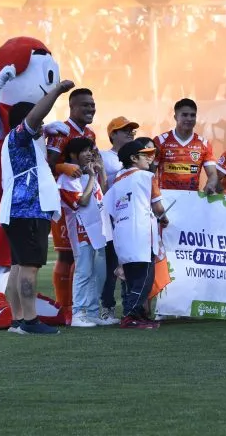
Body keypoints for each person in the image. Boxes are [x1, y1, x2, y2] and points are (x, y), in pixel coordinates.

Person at [2, 79, 76, 336]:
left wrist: (48, 136)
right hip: (28, 209)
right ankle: (30, 321)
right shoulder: (20, 137)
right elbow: (35, 116)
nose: (43, 124)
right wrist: (56, 91)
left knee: (18, 266)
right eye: (40, 122)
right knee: (29, 267)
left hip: (18, 210)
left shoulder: (20, 142)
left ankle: (18, 320)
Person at [45, 87, 97, 314]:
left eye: (92, 105)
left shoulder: (91, 135)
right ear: (72, 107)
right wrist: (62, 167)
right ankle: (64, 307)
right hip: (64, 201)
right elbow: (46, 164)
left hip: (85, 197)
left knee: (86, 253)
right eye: (85, 105)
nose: (90, 109)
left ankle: (81, 306)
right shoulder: (60, 131)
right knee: (66, 253)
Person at [107, 140, 168, 329]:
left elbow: (109, 209)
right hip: (141, 233)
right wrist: (163, 217)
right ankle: (131, 315)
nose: (150, 158)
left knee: (132, 277)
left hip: (121, 234)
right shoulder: (147, 176)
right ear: (133, 158)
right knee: (145, 277)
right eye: (146, 154)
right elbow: (158, 207)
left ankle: (136, 314)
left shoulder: (116, 181)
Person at [57, 137, 115, 327]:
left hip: (97, 231)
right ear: (73, 155)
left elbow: (104, 192)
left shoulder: (89, 174)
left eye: (91, 150)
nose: (90, 153)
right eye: (85, 150)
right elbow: (81, 202)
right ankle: (78, 313)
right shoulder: (67, 179)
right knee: (83, 272)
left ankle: (91, 312)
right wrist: (91, 177)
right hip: (80, 233)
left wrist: (100, 170)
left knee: (96, 274)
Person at [98, 116, 139, 322]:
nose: (130, 132)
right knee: (111, 265)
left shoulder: (137, 157)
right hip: (111, 218)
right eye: (125, 130)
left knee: (133, 263)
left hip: (132, 217)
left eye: (132, 130)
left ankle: (131, 307)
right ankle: (107, 306)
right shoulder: (103, 156)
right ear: (112, 134)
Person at [153, 98, 218, 194]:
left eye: (193, 115)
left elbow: (213, 174)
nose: (189, 119)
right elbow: (150, 173)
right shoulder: (160, 141)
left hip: (192, 200)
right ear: (175, 117)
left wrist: (211, 184)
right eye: (184, 115)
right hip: (166, 199)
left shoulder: (204, 144)